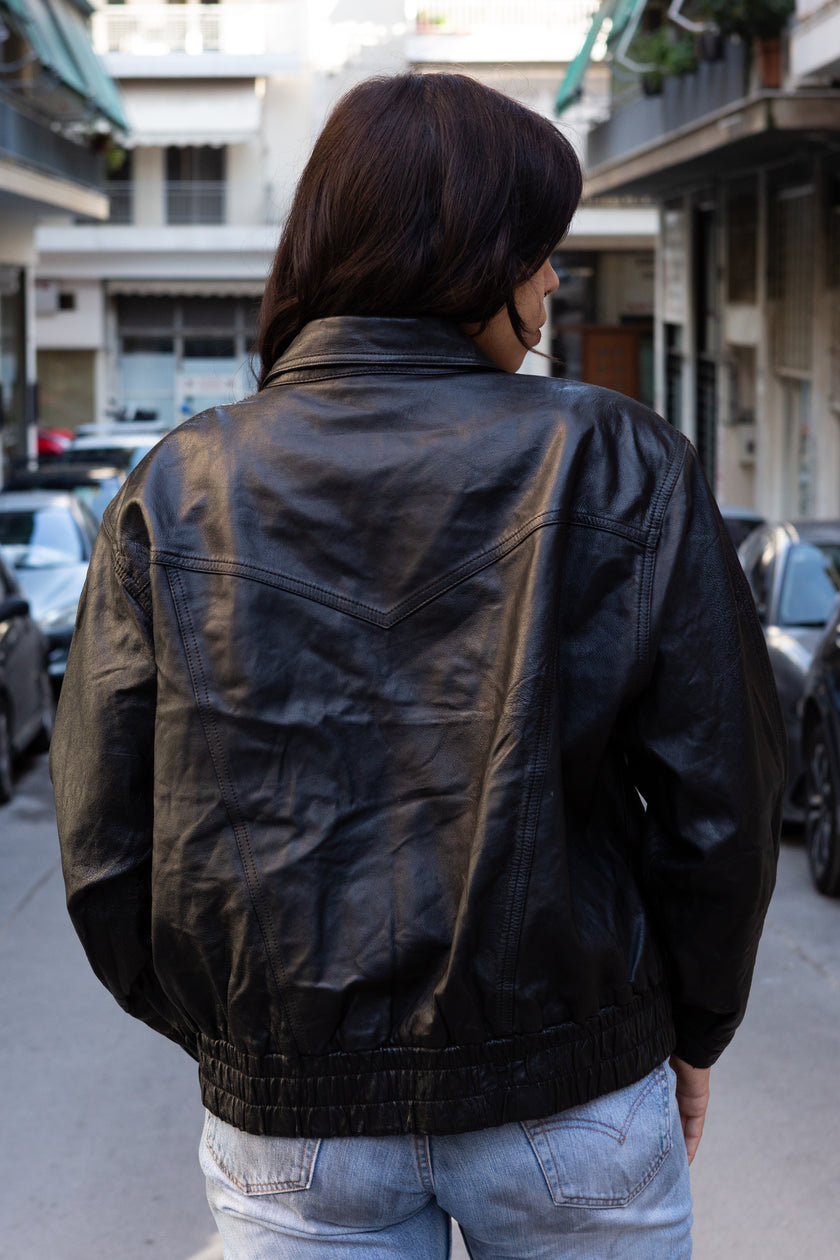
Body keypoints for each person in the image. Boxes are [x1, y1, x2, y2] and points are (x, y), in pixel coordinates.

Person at [52, 73, 785, 1259]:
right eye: (538, 250)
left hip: (295, 1124)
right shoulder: (618, 459)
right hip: (573, 1091)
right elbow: (723, 799)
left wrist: (247, 1049)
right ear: (471, 255)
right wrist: (690, 1025)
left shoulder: (177, 487)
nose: (553, 282)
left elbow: (104, 844)